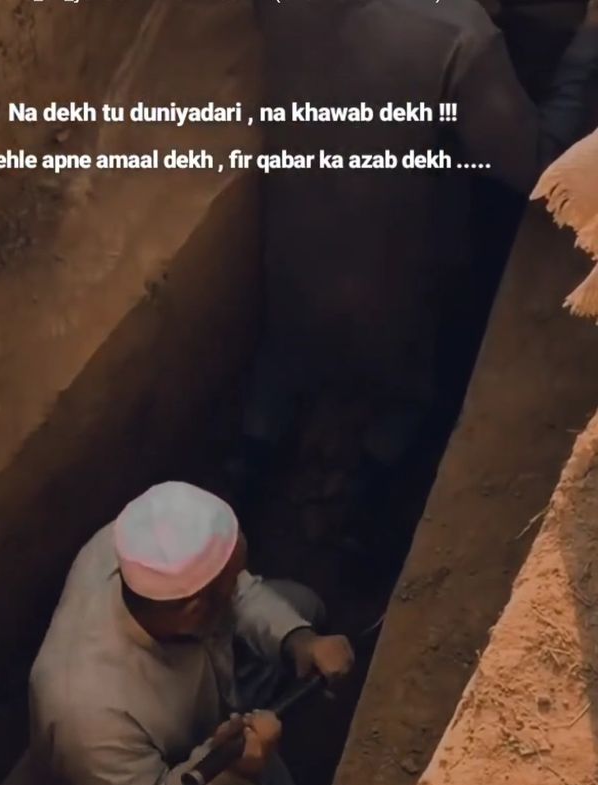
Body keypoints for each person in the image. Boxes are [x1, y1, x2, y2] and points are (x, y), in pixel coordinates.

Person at [233, 0, 598, 512]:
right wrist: (588, 42)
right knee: (410, 391)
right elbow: (540, 164)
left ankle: (252, 451)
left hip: (293, 264)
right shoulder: (458, 33)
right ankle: (376, 486)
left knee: (285, 354)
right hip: (395, 298)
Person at [0, 481, 354, 785]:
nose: (237, 584)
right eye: (227, 583)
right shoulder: (85, 710)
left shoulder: (137, 546)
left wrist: (297, 639)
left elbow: (235, 590)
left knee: (302, 605)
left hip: (203, 684)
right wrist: (231, 773)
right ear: (195, 610)